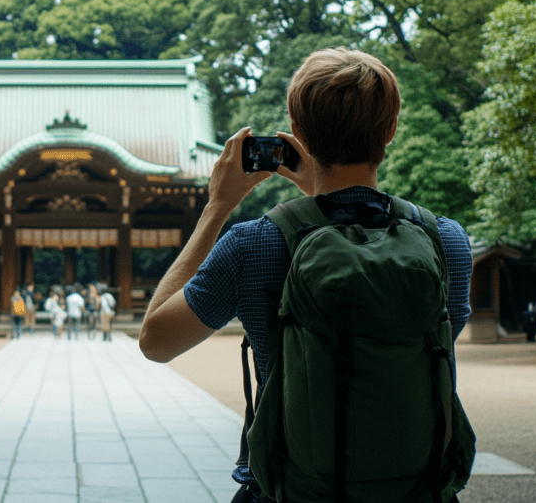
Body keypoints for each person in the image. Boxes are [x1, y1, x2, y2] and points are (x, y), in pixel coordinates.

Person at [137, 48, 473, 502]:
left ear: (298, 132)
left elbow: (155, 342)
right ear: (391, 129)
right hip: (418, 489)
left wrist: (218, 206)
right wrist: (316, 195)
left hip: (295, 491)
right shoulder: (445, 242)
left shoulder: (254, 244)